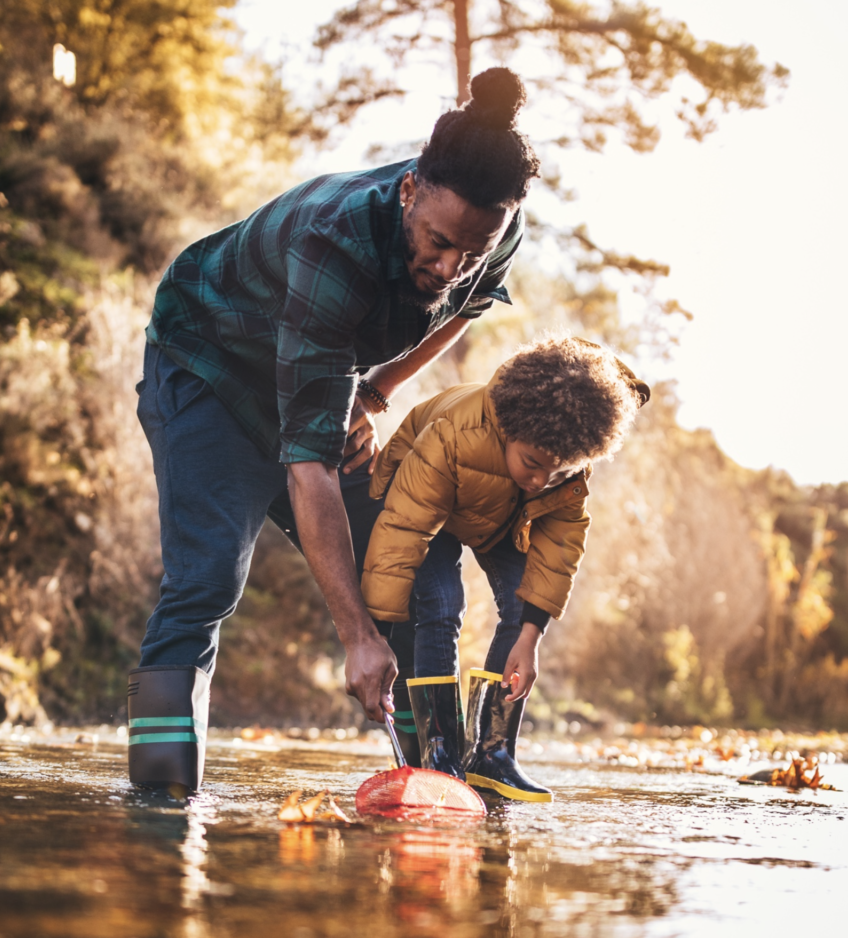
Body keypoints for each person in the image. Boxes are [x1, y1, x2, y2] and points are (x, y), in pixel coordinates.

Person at [127, 68, 542, 791]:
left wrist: (374, 390)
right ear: (409, 189)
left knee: (405, 566)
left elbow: (464, 309)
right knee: (208, 578)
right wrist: (356, 637)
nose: (450, 266)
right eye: (438, 242)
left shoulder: (490, 229)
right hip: (209, 367)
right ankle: (160, 795)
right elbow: (308, 466)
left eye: (469, 254)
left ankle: (432, 781)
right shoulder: (336, 245)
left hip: (318, 374)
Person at [360, 336, 650, 801]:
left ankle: (491, 754)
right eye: (533, 464)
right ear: (509, 426)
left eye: (558, 473)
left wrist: (531, 637)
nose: (543, 481)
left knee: (521, 610)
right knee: (441, 604)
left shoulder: (563, 467)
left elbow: (556, 553)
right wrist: (373, 637)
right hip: (421, 496)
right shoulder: (455, 434)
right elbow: (402, 533)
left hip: (495, 514)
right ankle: (440, 753)